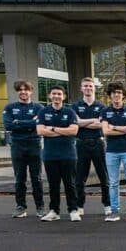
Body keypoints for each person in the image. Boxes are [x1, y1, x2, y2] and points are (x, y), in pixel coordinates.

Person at [36, 86, 81, 222]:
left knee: (70, 184)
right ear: (50, 96)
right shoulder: (43, 112)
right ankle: (54, 211)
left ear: (64, 97)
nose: (56, 96)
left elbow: (73, 131)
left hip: (68, 155)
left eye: (59, 94)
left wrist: (53, 129)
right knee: (53, 185)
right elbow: (40, 131)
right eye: (54, 94)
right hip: (50, 155)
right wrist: (63, 131)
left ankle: (73, 210)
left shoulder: (70, 112)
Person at [3, 80, 45, 218]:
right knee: (19, 178)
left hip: (34, 145)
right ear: (17, 92)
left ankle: (40, 207)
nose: (23, 92)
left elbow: (39, 124)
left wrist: (19, 122)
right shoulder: (10, 107)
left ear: (31, 91)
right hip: (17, 146)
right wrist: (29, 123)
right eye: (20, 90)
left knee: (37, 178)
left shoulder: (39, 108)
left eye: (26, 89)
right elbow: (8, 125)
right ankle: (20, 206)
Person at [100, 82, 126, 222]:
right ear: (110, 95)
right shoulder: (105, 111)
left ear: (123, 95)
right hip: (111, 151)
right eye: (113, 93)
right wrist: (123, 128)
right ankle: (114, 211)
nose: (116, 95)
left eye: (119, 92)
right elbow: (105, 131)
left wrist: (114, 127)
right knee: (113, 183)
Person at [72, 77, 111, 217]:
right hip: (81, 143)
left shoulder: (102, 107)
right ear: (81, 88)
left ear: (94, 88)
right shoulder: (75, 106)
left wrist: (83, 122)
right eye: (85, 86)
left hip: (98, 142)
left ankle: (107, 204)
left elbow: (102, 124)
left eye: (90, 86)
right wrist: (93, 120)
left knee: (103, 176)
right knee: (80, 177)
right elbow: (75, 123)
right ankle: (80, 205)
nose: (88, 88)